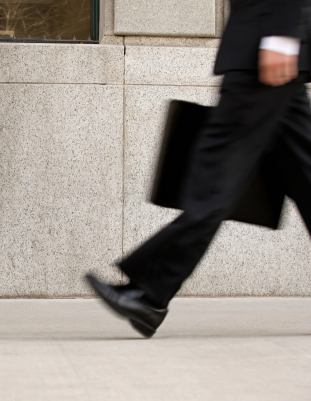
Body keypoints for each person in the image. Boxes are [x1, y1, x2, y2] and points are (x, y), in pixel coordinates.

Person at [86, 0, 311, 338]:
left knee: (215, 181)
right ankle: (149, 293)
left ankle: (150, 293)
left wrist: (280, 35)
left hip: (265, 45)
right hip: (264, 43)